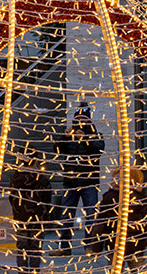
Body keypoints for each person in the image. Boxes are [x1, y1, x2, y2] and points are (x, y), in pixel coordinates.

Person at [50, 102, 104, 256]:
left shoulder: (96, 135)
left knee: (91, 216)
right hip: (70, 182)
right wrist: (65, 137)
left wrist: (84, 139)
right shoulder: (69, 136)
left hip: (89, 183)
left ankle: (89, 246)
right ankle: (64, 247)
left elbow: (98, 150)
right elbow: (57, 149)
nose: (80, 123)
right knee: (66, 216)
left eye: (83, 120)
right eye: (78, 120)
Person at [89, 167, 147, 271]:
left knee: (114, 268)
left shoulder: (109, 198)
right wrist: (144, 235)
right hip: (136, 245)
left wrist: (96, 247)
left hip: (114, 244)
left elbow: (100, 224)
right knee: (137, 267)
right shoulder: (141, 198)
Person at [9, 149, 52, 273]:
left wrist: (17, 211)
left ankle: (22, 271)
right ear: (36, 161)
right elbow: (47, 198)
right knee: (35, 248)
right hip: (38, 218)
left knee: (21, 247)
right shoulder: (42, 178)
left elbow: (11, 197)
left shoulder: (15, 178)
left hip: (20, 217)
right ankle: (34, 271)